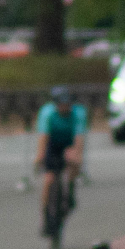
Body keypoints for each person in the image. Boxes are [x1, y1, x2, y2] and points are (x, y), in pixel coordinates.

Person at [33, 85, 88, 235]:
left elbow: (79, 138)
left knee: (73, 166)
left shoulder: (78, 113)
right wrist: (40, 156)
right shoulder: (47, 113)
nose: (65, 108)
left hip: (69, 143)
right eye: (61, 105)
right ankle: (46, 216)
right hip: (53, 144)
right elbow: (44, 137)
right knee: (49, 179)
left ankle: (70, 190)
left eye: (67, 104)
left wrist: (77, 156)